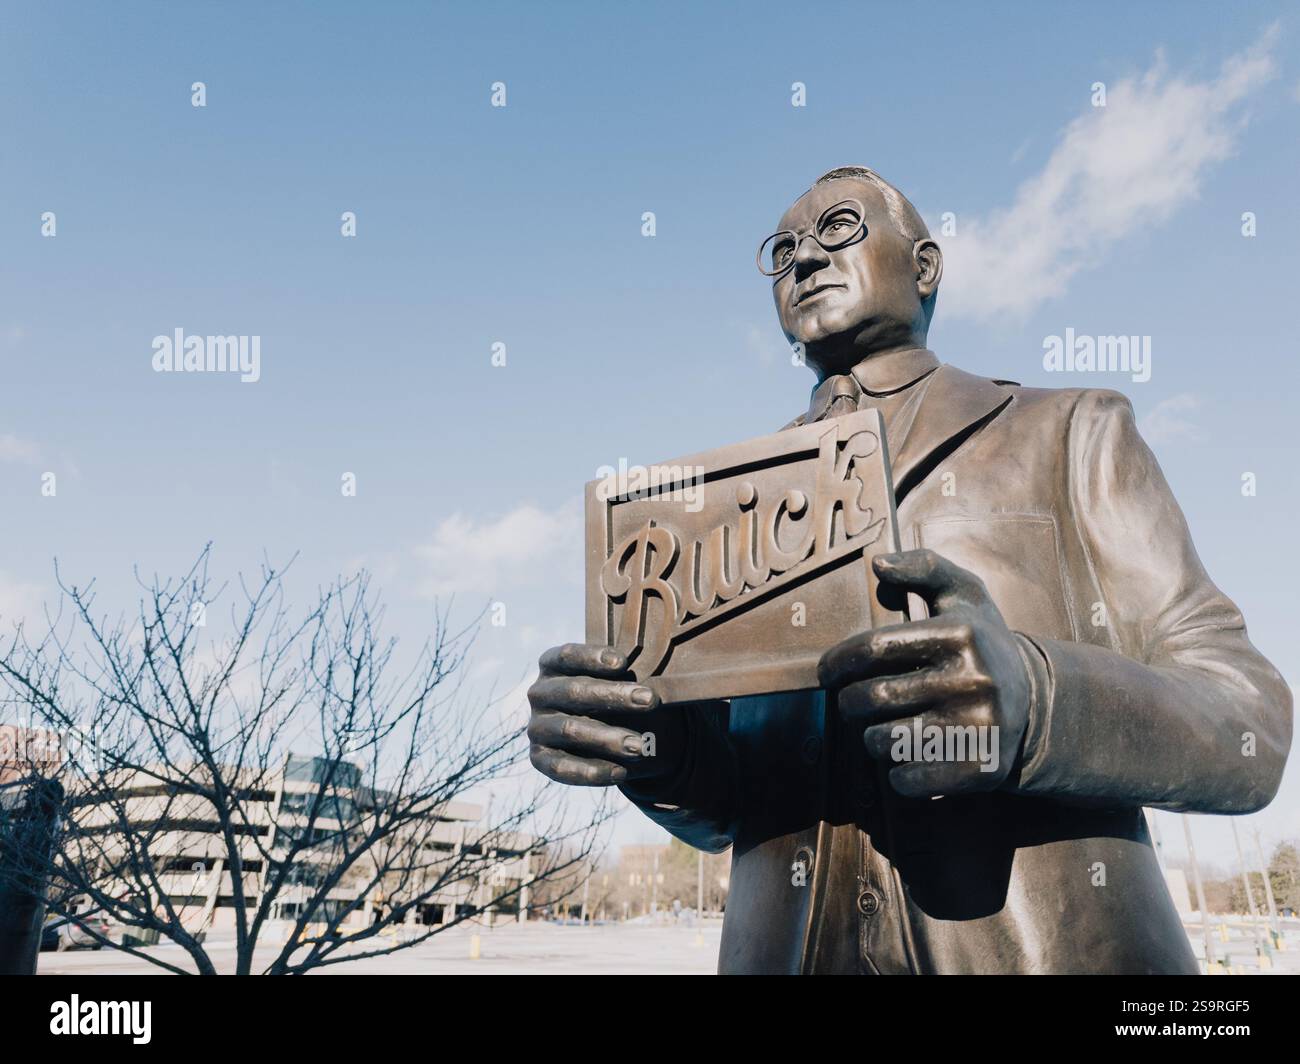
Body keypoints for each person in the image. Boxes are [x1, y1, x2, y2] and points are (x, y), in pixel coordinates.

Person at [527, 166, 1292, 974]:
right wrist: (661, 749)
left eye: (840, 229)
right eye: (782, 250)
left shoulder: (1070, 432)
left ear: (924, 267)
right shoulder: (727, 517)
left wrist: (1038, 702)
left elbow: (1250, 727)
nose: (805, 260)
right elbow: (732, 815)